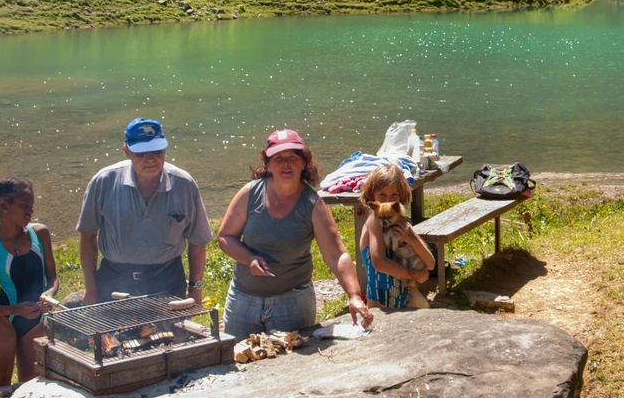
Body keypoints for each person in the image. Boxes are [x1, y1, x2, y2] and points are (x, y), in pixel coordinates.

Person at [217, 129, 373, 335]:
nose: (286, 164)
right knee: (239, 358)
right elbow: (225, 236)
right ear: (268, 163)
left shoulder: (312, 204)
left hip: (293, 302)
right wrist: (249, 258)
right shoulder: (250, 193)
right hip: (243, 299)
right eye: (279, 158)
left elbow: (337, 255)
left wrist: (354, 295)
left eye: (292, 157)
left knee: (293, 362)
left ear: (303, 163)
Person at [77, 118, 211, 304]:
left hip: (167, 278)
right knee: (112, 333)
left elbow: (198, 242)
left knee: (170, 333)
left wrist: (195, 290)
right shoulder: (104, 181)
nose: (150, 159)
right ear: (126, 151)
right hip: (115, 278)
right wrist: (91, 289)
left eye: (157, 151)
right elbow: (88, 236)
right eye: (141, 153)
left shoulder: (184, 184)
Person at [0, 177, 58, 390]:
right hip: (3, 322)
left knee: (32, 389)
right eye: (24, 206)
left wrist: (49, 294)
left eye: (32, 206)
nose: (30, 212)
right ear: (3, 206)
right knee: (0, 389)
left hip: (37, 320)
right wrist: (14, 310)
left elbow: (52, 278)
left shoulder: (40, 233)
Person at [358, 164, 436, 308]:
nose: (388, 200)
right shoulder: (375, 221)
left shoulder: (402, 223)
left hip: (408, 301)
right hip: (381, 305)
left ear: (400, 196)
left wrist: (411, 239)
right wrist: (415, 275)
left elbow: (430, 264)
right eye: (382, 195)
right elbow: (379, 262)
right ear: (371, 196)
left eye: (394, 195)